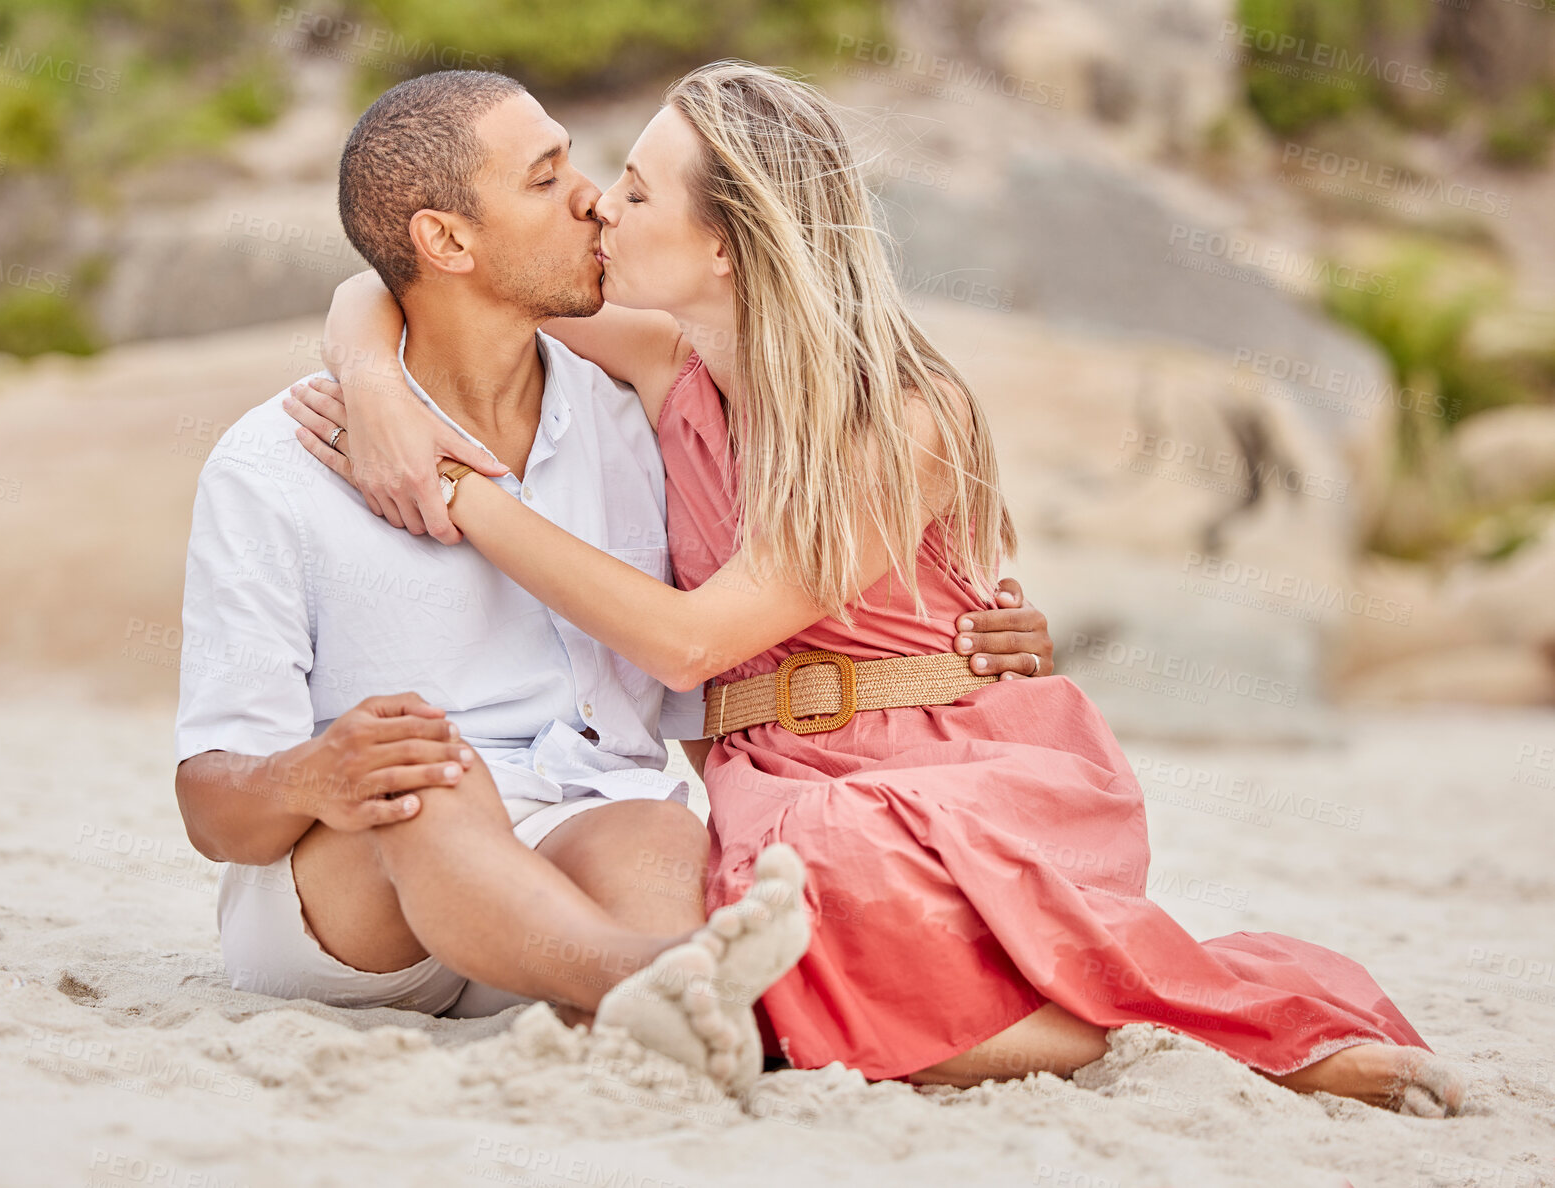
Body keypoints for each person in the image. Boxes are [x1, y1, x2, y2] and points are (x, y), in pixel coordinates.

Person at [288, 62, 1466, 1117]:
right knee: (779, 923)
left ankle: (1209, 1035)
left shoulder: (899, 412)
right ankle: (1092, 1025)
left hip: (944, 760)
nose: (596, 202)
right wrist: (370, 381)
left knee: (821, 891)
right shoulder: (663, 362)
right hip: (777, 777)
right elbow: (418, 286)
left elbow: (693, 645)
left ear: (722, 245)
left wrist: (469, 499)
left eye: (636, 191)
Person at [175, 67, 1034, 1092]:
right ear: (447, 239)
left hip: (576, 834)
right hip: (356, 908)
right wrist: (312, 775)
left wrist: (958, 632)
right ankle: (661, 982)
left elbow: (759, 594)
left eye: (599, 172)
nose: (590, 197)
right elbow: (210, 807)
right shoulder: (276, 463)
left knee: (658, 834)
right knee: (431, 775)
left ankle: (641, 997)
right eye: (547, 179)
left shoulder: (640, 418)